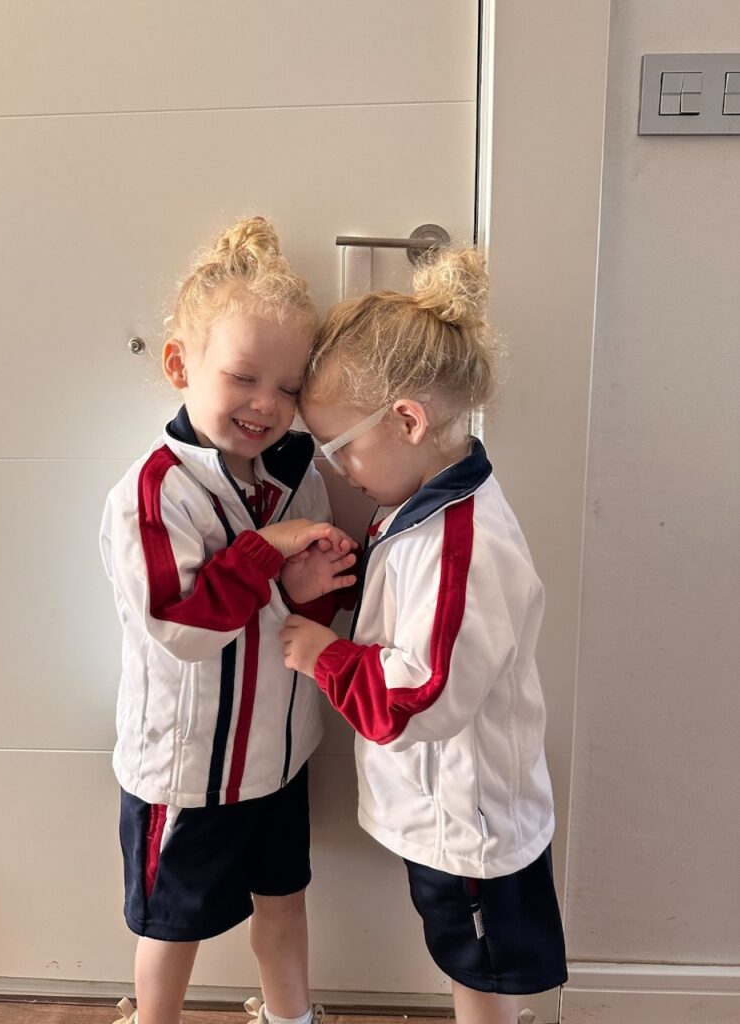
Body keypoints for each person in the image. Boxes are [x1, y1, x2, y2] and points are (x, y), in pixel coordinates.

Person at [281, 247, 568, 1024]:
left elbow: (419, 696)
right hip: (449, 803)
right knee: (466, 956)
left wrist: (323, 656)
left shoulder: (460, 547)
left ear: (406, 420)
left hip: (465, 815)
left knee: (478, 965)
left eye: (341, 450)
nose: (338, 473)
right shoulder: (421, 509)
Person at [101, 217, 354, 1024]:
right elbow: (179, 623)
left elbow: (301, 610)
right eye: (244, 377)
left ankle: (290, 1015)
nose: (266, 405)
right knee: (171, 925)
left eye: (287, 388)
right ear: (180, 363)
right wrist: (264, 548)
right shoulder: (156, 491)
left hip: (278, 756)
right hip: (188, 766)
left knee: (284, 901)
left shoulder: (294, 475)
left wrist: (308, 580)